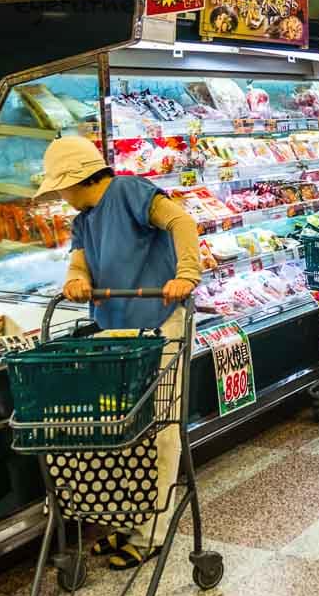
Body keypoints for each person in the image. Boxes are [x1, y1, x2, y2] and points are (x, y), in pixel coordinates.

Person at [34, 136, 202, 570]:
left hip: (161, 322)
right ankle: (130, 522)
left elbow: (180, 222)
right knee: (125, 432)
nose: (60, 196)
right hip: (118, 331)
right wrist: (75, 280)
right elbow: (79, 260)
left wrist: (186, 272)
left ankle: (153, 533)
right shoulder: (85, 218)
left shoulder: (130, 191)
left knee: (161, 430)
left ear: (75, 180)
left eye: (60, 187)